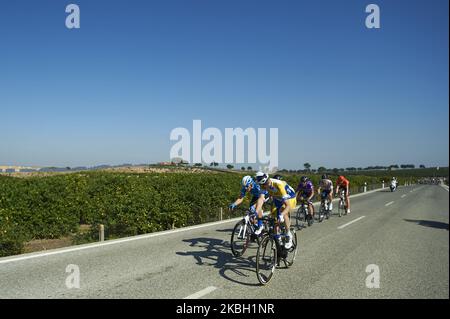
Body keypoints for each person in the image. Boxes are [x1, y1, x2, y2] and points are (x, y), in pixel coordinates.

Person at [255, 171, 297, 249]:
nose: (265, 186)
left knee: (283, 212)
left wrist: (281, 215)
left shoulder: (279, 184)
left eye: (266, 184)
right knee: (274, 218)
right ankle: (279, 240)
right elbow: (261, 199)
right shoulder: (263, 185)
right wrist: (256, 212)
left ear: (268, 180)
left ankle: (288, 234)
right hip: (277, 197)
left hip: (290, 197)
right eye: (263, 185)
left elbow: (287, 205)